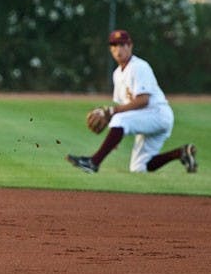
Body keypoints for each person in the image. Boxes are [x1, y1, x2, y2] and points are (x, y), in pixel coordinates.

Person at [66, 29, 197, 174]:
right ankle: (181, 153)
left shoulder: (139, 67)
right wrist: (114, 135)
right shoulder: (117, 74)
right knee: (139, 167)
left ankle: (93, 162)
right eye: (114, 45)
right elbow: (124, 107)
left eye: (122, 45)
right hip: (147, 117)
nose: (118, 49)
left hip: (157, 114)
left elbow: (143, 100)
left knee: (119, 118)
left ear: (130, 46)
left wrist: (112, 114)